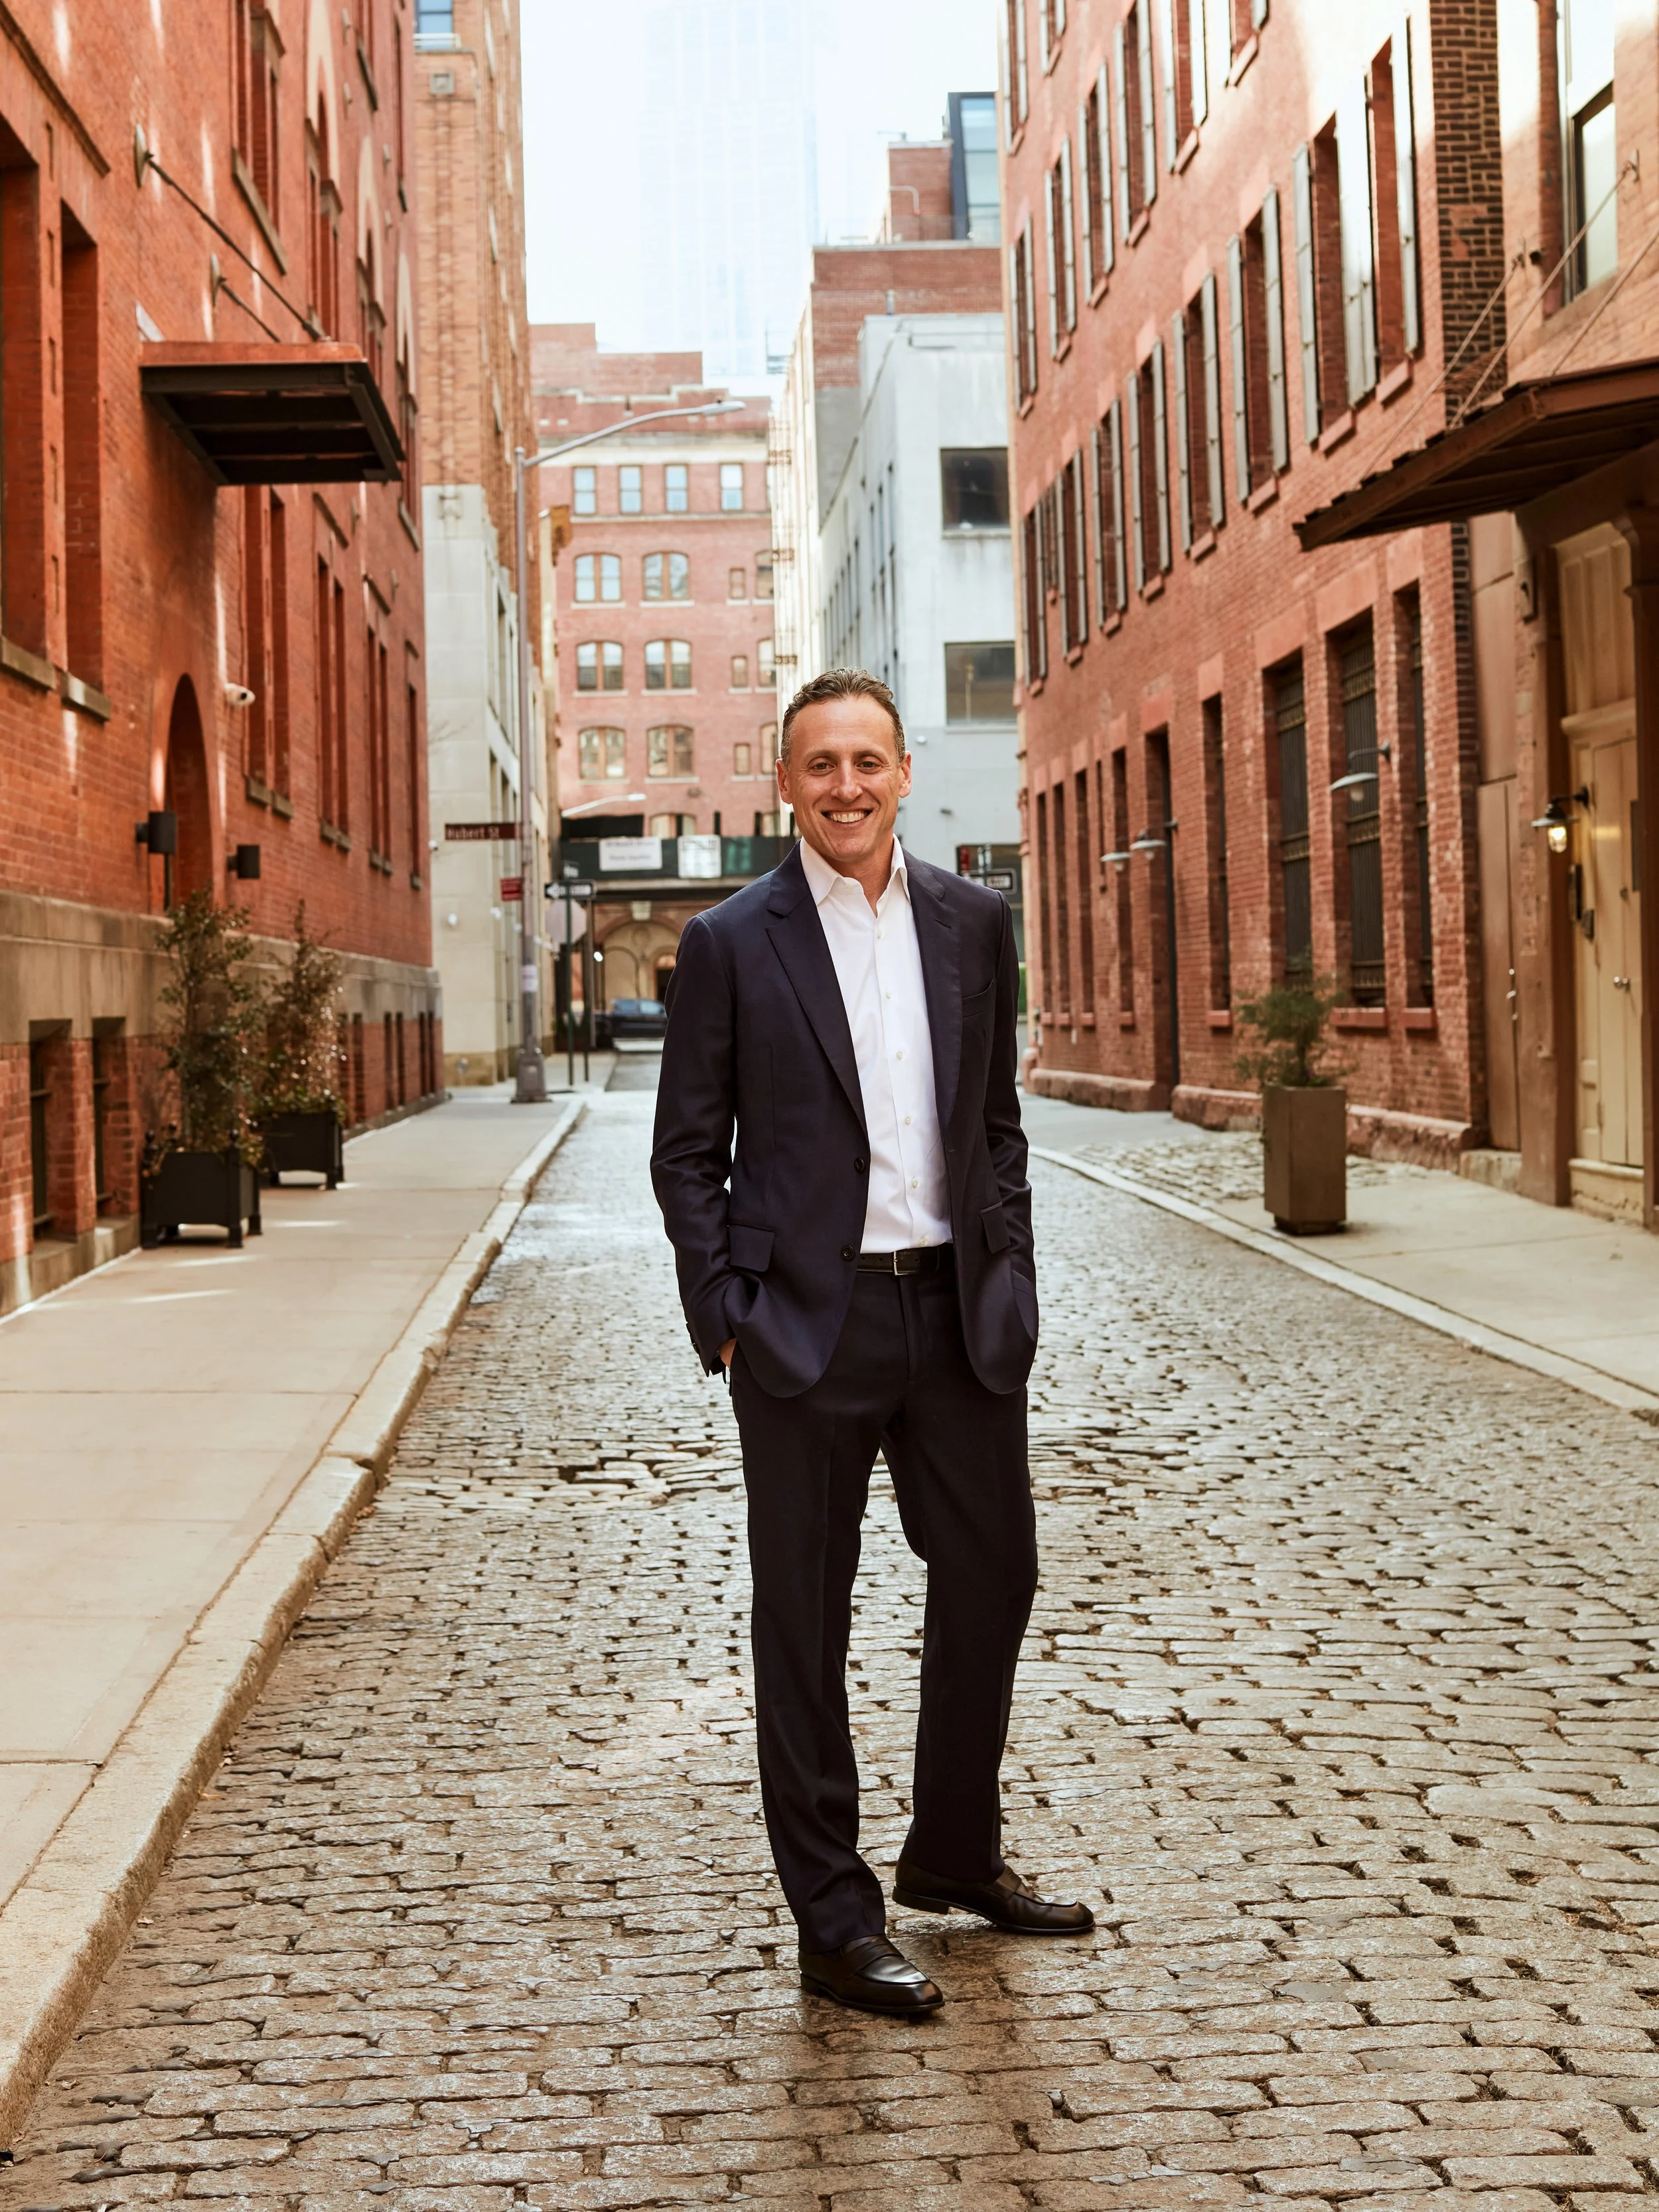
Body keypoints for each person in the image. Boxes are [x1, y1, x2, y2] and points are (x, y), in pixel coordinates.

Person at [650, 667, 1092, 2016]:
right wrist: (726, 1315)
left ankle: (953, 1848)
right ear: (784, 781)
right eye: (818, 762)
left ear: (904, 772)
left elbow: (995, 1125)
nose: (844, 784)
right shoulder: (733, 939)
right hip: (804, 1325)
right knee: (803, 1615)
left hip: (953, 1315)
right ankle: (833, 1917)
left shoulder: (971, 921)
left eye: (866, 760)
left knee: (993, 1575)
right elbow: (687, 1153)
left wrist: (1006, 1268)